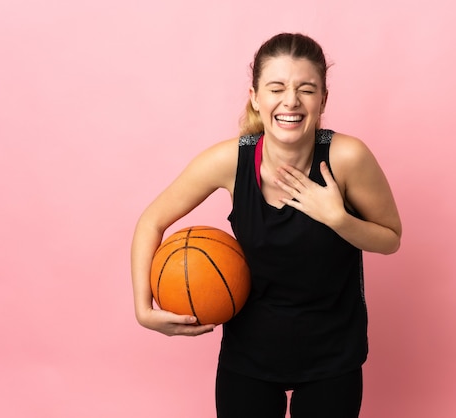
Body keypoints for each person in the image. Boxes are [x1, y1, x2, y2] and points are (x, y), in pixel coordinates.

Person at [131, 32, 402, 418]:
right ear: (256, 97)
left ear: (323, 99)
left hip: (333, 352)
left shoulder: (347, 158)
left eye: (306, 89)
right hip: (250, 353)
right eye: (276, 88)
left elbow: (391, 239)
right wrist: (144, 308)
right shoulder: (230, 161)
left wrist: (338, 219)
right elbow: (151, 220)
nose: (290, 100)